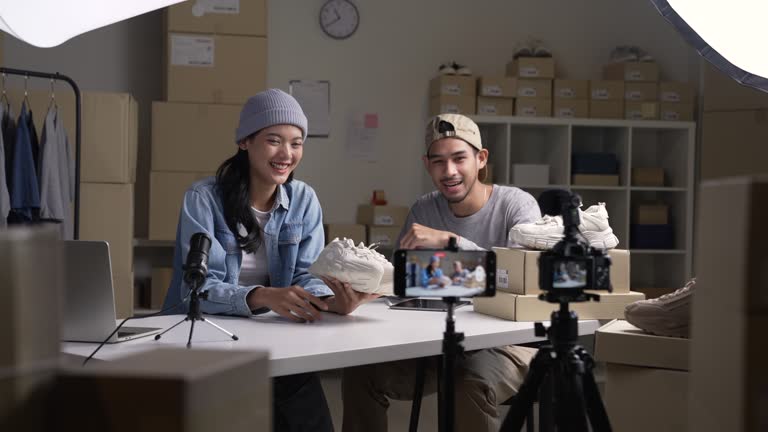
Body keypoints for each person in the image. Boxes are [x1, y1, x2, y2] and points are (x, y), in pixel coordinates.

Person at [162, 89, 378, 432]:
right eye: (274, 141)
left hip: (275, 340)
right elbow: (196, 290)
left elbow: (309, 276)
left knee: (309, 414)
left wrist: (331, 300)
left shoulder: (304, 199)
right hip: (207, 340)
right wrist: (262, 296)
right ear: (245, 141)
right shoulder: (203, 199)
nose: (286, 154)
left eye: (296, 143)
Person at [342, 114, 542, 431]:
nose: (448, 172)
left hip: (510, 345)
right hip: (439, 342)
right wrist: (364, 284)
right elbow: (406, 281)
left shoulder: (516, 205)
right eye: (438, 161)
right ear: (427, 164)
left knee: (468, 381)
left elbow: (525, 277)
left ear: (481, 158)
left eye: (459, 158)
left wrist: (451, 243)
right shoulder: (424, 209)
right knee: (359, 372)